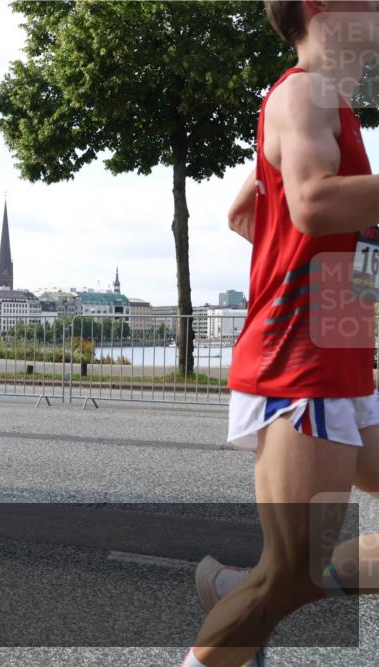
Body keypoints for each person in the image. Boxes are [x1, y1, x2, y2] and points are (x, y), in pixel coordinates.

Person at [183, 3, 379, 666]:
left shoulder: (327, 105)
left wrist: (342, 296)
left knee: (292, 573)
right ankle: (256, 590)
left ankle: (245, 587)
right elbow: (314, 203)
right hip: (301, 363)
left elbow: (249, 212)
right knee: (292, 574)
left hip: (338, 350)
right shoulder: (303, 93)